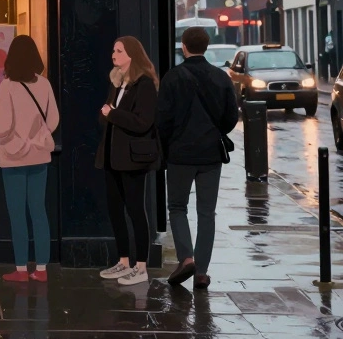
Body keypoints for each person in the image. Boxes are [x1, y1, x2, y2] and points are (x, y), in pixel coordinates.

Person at [158, 27, 239, 290]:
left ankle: (186, 258)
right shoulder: (220, 77)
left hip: (180, 154)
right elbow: (231, 116)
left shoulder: (172, 78)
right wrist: (214, 133)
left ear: (184, 46)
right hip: (210, 155)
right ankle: (201, 272)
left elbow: (162, 120)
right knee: (206, 213)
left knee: (177, 207)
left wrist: (169, 143)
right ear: (206, 46)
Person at [0, 35, 59, 283]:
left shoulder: (7, 86)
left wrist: (18, 143)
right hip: (39, 156)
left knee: (17, 214)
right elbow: (53, 118)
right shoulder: (44, 84)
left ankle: (21, 269)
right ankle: (41, 269)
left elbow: (3, 126)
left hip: (13, 158)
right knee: (39, 211)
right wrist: (38, 139)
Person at [96, 36, 160, 287]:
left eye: (119, 51)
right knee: (115, 209)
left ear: (132, 54)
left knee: (135, 210)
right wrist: (107, 114)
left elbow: (143, 122)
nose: (114, 54)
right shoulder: (118, 81)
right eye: (113, 50)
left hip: (133, 158)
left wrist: (113, 114)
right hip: (112, 156)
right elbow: (109, 115)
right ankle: (123, 261)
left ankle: (140, 266)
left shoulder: (144, 84)